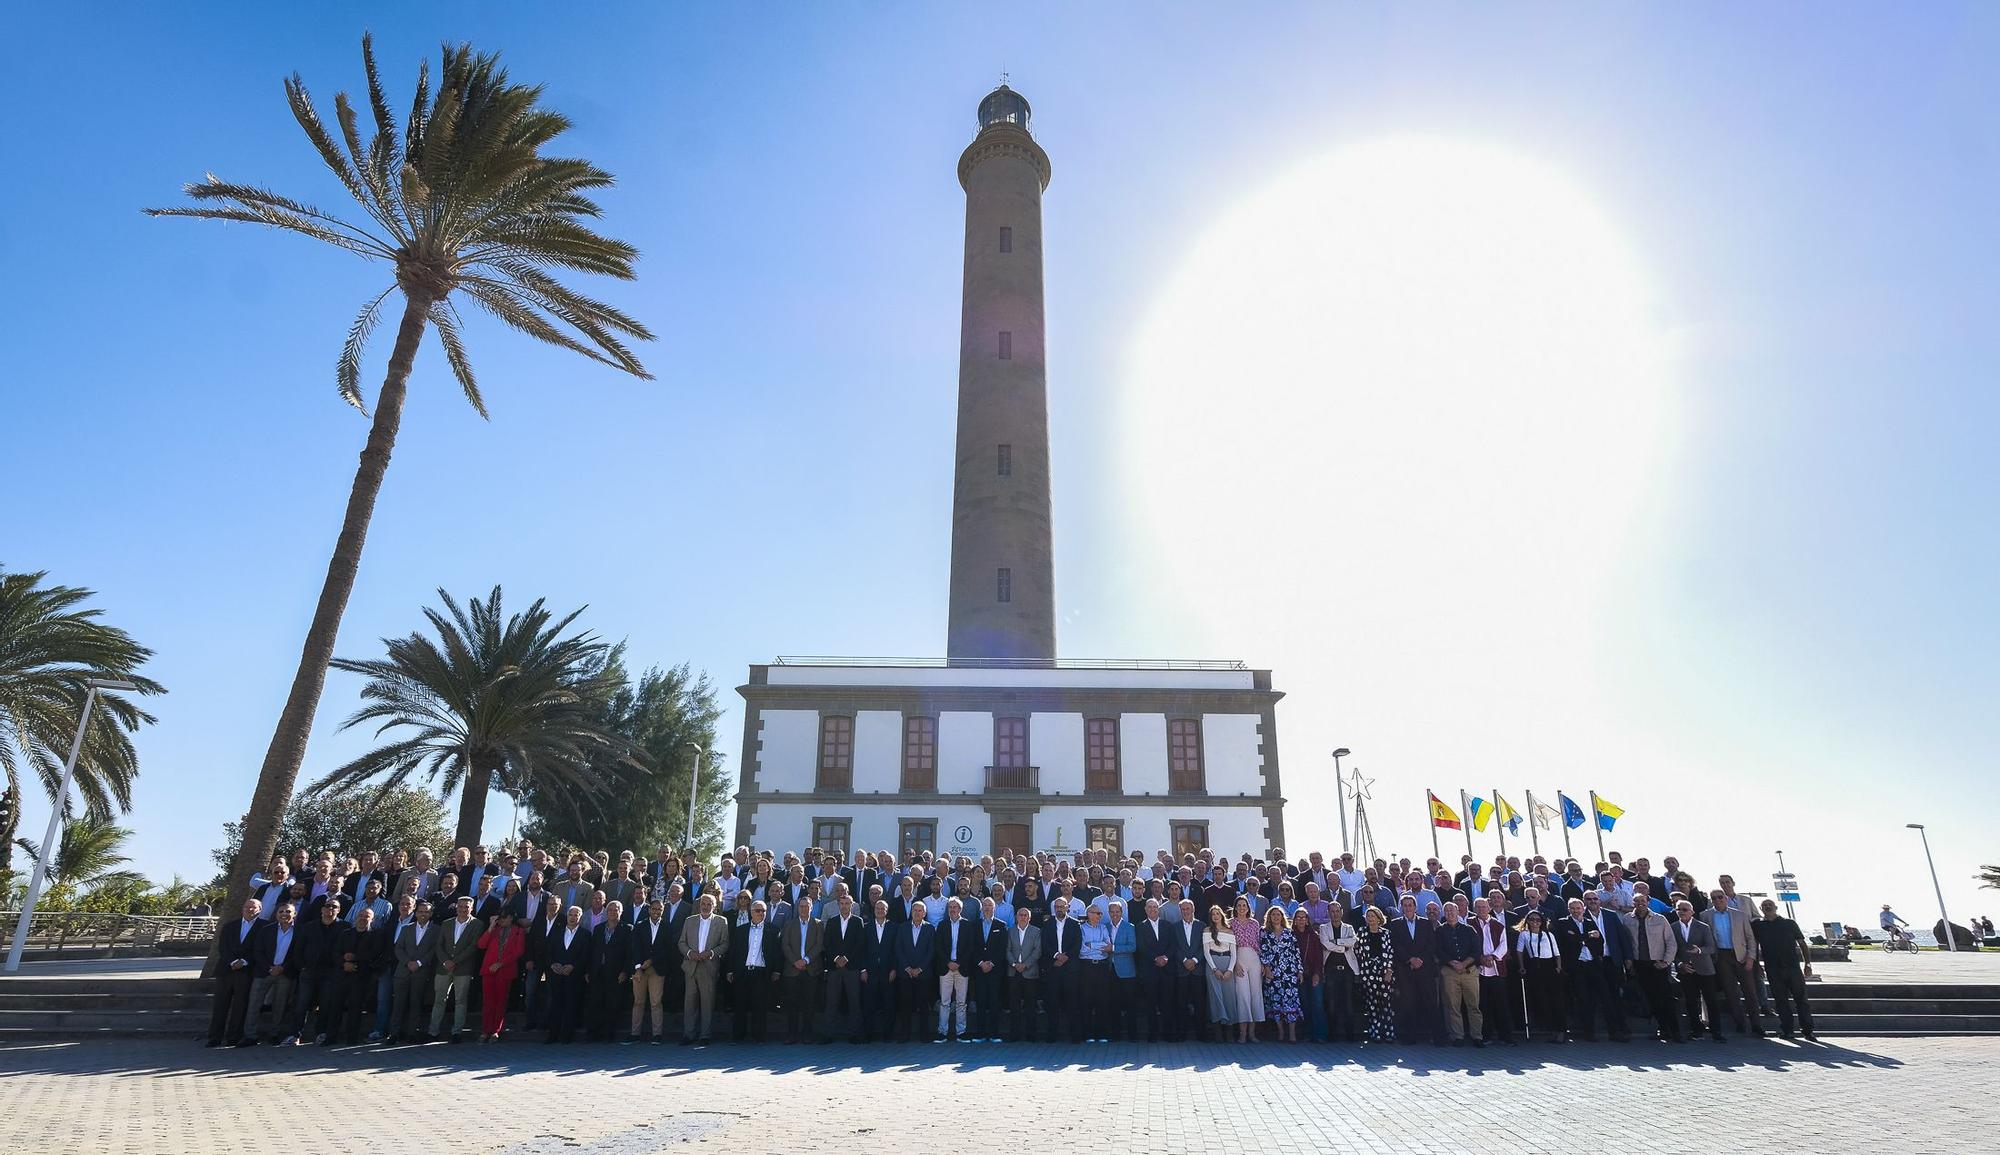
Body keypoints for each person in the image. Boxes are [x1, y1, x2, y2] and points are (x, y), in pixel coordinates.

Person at [1701, 889, 1763, 1038]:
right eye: (1714, 898)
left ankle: (1756, 1025)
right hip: (1721, 955)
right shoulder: (1705, 915)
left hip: (1741, 955)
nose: (1717, 900)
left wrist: (1751, 958)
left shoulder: (1740, 915)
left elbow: (1750, 938)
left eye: (1720, 897)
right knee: (1731, 992)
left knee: (1750, 991)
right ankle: (1740, 1023)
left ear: (1726, 898)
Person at [1752, 899, 1816, 1040]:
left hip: (1792, 967)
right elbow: (1754, 946)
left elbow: (1802, 943)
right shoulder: (1758, 925)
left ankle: (1808, 1030)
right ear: (1761, 909)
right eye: (1764, 906)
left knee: (1801, 1000)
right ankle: (1787, 1030)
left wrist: (1807, 963)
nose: (1768, 907)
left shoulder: (1789, 923)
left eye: (1770, 905)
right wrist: (1757, 964)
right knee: (1781, 1000)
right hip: (1773, 968)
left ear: (1776, 907)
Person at [293, 894, 352, 1045]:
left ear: (339, 911)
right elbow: (298, 948)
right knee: (302, 1003)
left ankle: (321, 1033)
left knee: (326, 1004)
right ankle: (295, 1034)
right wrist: (302, 965)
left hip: (331, 972)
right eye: (328, 906)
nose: (330, 909)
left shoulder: (344, 927)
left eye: (334, 907)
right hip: (309, 970)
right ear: (322, 909)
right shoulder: (309, 926)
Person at [1625, 890, 1682, 1041]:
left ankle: (1675, 1031)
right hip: (1640, 964)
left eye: (1643, 901)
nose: (1640, 904)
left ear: (1648, 902)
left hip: (1658, 963)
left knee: (1666, 998)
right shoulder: (1627, 919)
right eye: (1637, 902)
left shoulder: (1660, 919)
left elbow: (1671, 942)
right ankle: (1662, 1028)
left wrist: (1666, 961)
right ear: (1633, 904)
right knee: (1652, 999)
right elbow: (1625, 941)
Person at [206, 898, 262, 1048]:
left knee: (240, 1005)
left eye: (253, 907)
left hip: (246, 971)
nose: (250, 910)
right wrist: (232, 962)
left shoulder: (263, 927)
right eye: (247, 907)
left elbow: (260, 949)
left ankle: (233, 1037)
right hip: (226, 969)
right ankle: (215, 1037)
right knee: (220, 1005)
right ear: (242, 908)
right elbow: (223, 948)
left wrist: (243, 962)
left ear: (259, 910)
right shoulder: (230, 926)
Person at [428, 895, 483, 1042]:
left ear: (472, 908)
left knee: (460, 1000)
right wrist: (445, 960)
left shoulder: (477, 924)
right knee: (439, 999)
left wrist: (455, 961)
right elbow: (439, 945)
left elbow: (473, 946)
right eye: (461, 906)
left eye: (466, 907)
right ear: (456, 907)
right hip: (443, 967)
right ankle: (433, 1031)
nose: (463, 909)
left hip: (463, 968)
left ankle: (456, 1032)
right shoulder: (447, 923)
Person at [246, 901, 301, 1045]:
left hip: (285, 973)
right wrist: (269, 967)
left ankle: (274, 1033)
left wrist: (283, 968)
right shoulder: (266, 930)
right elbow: (258, 951)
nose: (284, 914)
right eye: (281, 912)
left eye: (288, 911)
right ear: (276, 914)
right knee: (254, 1004)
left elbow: (298, 954)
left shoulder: (300, 932)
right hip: (264, 972)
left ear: (295, 914)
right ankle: (249, 1035)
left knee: (279, 1005)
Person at [726, 898, 780, 1042]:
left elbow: (776, 952)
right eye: (758, 910)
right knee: (740, 1004)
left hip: (761, 972)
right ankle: (738, 1035)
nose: (761, 913)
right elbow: (734, 951)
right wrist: (730, 970)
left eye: (763, 911)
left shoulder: (773, 930)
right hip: (743, 971)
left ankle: (759, 1036)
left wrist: (776, 970)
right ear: (751, 912)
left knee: (760, 1005)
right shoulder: (741, 930)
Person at [1673, 899, 1727, 1042]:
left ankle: (1716, 1032)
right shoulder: (1673, 927)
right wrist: (1679, 964)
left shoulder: (1703, 927)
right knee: (1691, 1001)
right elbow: (1673, 950)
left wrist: (1699, 950)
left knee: (1711, 1001)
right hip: (1686, 970)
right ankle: (1696, 1031)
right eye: (1679, 909)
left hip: (1705, 969)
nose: (1682, 912)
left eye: (1685, 909)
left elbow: (1711, 947)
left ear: (1692, 912)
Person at [679, 893, 729, 1045]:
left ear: (714, 906)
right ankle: (689, 1034)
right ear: (699, 905)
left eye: (709, 904)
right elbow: (681, 942)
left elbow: (725, 944)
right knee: (689, 1002)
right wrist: (690, 953)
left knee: (707, 1003)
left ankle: (705, 1035)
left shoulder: (721, 922)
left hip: (709, 966)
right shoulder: (690, 920)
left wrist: (711, 953)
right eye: (703, 904)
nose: (706, 907)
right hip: (691, 965)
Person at [1435, 900, 1484, 1047]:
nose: (1450, 913)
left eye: (1452, 910)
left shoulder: (1469, 929)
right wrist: (1452, 963)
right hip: (1450, 972)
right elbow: (1438, 950)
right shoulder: (1440, 930)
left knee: (1473, 1005)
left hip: (1469, 971)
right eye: (1447, 910)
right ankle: (1458, 1036)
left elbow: (1476, 950)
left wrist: (1464, 963)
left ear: (1458, 911)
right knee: (1452, 1005)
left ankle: (1477, 1036)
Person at [1391, 894, 1438, 1044]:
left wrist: (1420, 959)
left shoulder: (1425, 923)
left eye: (1410, 905)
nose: (1408, 908)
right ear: (1401, 907)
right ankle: (1409, 1036)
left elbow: (1431, 944)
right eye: (1405, 905)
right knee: (1408, 1002)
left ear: (1415, 907)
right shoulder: (1395, 924)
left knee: (1430, 1001)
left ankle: (1437, 1035)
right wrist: (1410, 959)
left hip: (1424, 968)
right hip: (1405, 969)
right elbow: (1396, 945)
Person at [822, 893, 867, 1043]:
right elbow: (827, 943)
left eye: (847, 903)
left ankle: (855, 1034)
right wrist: (836, 958)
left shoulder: (857, 921)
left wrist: (847, 958)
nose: (844, 906)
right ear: (838, 905)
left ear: (852, 905)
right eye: (842, 903)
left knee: (854, 1001)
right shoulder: (832, 922)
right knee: (831, 1001)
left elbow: (860, 944)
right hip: (834, 967)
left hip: (851, 967)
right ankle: (828, 1034)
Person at [544, 905, 592, 1044]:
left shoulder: (585, 934)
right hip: (556, 974)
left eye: (576, 915)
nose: (573, 917)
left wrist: (573, 966)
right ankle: (553, 1034)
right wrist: (553, 964)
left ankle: (566, 1035)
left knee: (571, 1005)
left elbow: (586, 955)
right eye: (571, 914)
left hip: (574, 975)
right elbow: (548, 951)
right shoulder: (556, 932)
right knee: (555, 1004)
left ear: (580, 918)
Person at [1470, 897, 1515, 1044]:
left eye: (1483, 907)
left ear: (1489, 907)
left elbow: (1504, 945)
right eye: (1478, 907)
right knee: (1483, 1004)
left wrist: (1493, 957)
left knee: (1501, 1003)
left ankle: (1506, 1036)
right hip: (1479, 969)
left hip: (1496, 968)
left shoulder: (1498, 924)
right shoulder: (1470, 924)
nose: (1481, 909)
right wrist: (1481, 958)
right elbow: (1468, 945)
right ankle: (1486, 1035)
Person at [476, 910, 525, 1042]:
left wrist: (500, 964)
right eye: (500, 918)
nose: (502, 921)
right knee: (488, 1002)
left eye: (504, 918)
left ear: (510, 918)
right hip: (489, 969)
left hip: (504, 970)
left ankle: (495, 1031)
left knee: (500, 1002)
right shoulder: (495, 930)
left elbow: (518, 951)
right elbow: (481, 944)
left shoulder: (518, 931)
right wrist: (491, 927)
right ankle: (485, 1030)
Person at [779, 894, 823, 1043]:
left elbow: (819, 945)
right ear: (798, 908)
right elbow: (785, 945)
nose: (804, 909)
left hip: (811, 970)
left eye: (807, 906)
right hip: (792, 970)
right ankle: (792, 1034)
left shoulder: (818, 924)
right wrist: (795, 961)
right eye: (801, 906)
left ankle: (807, 1034)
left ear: (811, 908)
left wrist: (806, 960)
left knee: (809, 1004)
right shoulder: (789, 925)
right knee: (792, 1004)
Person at [1516, 910, 1564, 1042]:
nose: (1535, 922)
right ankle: (1549, 1026)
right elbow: (1519, 951)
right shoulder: (1524, 934)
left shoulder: (1549, 935)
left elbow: (1556, 952)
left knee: (1556, 998)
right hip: (1535, 965)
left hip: (1549, 965)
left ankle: (1560, 1030)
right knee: (1541, 998)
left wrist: (1558, 967)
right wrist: (1522, 966)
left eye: (1538, 920)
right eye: (1531, 920)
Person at [1259, 905, 1302, 1042]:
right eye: (1273, 915)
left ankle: (1292, 1033)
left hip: (1289, 972)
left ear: (1282, 916)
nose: (1276, 917)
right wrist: (1266, 968)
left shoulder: (1289, 933)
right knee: (1275, 1003)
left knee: (1291, 1002)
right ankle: (1281, 1032)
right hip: (1273, 972)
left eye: (1278, 914)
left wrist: (1299, 971)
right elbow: (1262, 951)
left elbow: (1296, 952)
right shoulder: (1264, 932)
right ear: (1269, 917)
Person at [933, 897, 974, 1041]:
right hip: (946, 967)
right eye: (950, 907)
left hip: (962, 967)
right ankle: (942, 1031)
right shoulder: (942, 925)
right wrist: (948, 962)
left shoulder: (968, 925)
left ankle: (961, 1032)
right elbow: (938, 947)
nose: (952, 909)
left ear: (960, 909)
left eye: (955, 907)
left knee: (961, 1002)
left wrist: (959, 963)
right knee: (945, 1002)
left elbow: (970, 947)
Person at [1318, 904, 1359, 1043]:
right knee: (1332, 1003)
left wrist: (1335, 942)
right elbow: (1325, 943)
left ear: (1341, 912)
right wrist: (1343, 947)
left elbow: (1353, 941)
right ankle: (1333, 1034)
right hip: (1330, 970)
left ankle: (1350, 1034)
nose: (1335, 914)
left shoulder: (1349, 928)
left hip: (1347, 970)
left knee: (1349, 1003)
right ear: (1328, 913)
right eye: (1332, 911)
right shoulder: (1323, 928)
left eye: (1337, 911)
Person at [1355, 906, 1396, 1043]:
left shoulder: (1386, 933)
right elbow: (1357, 951)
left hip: (1384, 971)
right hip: (1368, 972)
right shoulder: (1361, 932)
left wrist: (1389, 971)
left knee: (1385, 1002)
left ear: (1379, 918)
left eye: (1373, 916)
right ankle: (1375, 1031)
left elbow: (1390, 953)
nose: (1371, 919)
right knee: (1372, 1002)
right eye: (1368, 916)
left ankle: (1388, 1031)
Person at [1005, 904, 1043, 1042]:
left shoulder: (1036, 931)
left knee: (1030, 1005)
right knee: (1014, 1005)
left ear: (1030, 918)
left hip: (1030, 972)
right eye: (1020, 915)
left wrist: (1025, 965)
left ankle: (1031, 1035)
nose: (1022, 917)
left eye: (1025, 915)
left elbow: (1037, 951)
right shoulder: (1010, 931)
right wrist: (1015, 964)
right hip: (1013, 972)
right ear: (1016, 917)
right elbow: (1007, 950)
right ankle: (1014, 1034)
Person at [1228, 895, 1264, 1040]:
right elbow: (1231, 945)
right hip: (1239, 959)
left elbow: (1259, 944)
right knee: (1242, 995)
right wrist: (1235, 963)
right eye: (1239, 905)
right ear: (1235, 908)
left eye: (1244, 905)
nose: (1242, 908)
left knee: (1255, 994)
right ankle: (1242, 1033)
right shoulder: (1230, 923)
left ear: (1248, 908)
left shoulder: (1255, 923)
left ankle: (1252, 1033)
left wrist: (1262, 963)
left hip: (1254, 959)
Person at [1202, 905, 1239, 1043]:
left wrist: (1230, 970)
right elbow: (1206, 952)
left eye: (1218, 913)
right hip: (1213, 964)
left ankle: (1229, 1030)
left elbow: (1234, 953)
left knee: (1229, 997)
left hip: (1227, 962)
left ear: (1222, 915)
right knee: (1215, 996)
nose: (1216, 916)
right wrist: (1214, 969)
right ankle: (1217, 1031)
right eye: (1213, 914)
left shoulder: (1229, 932)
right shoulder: (1207, 931)